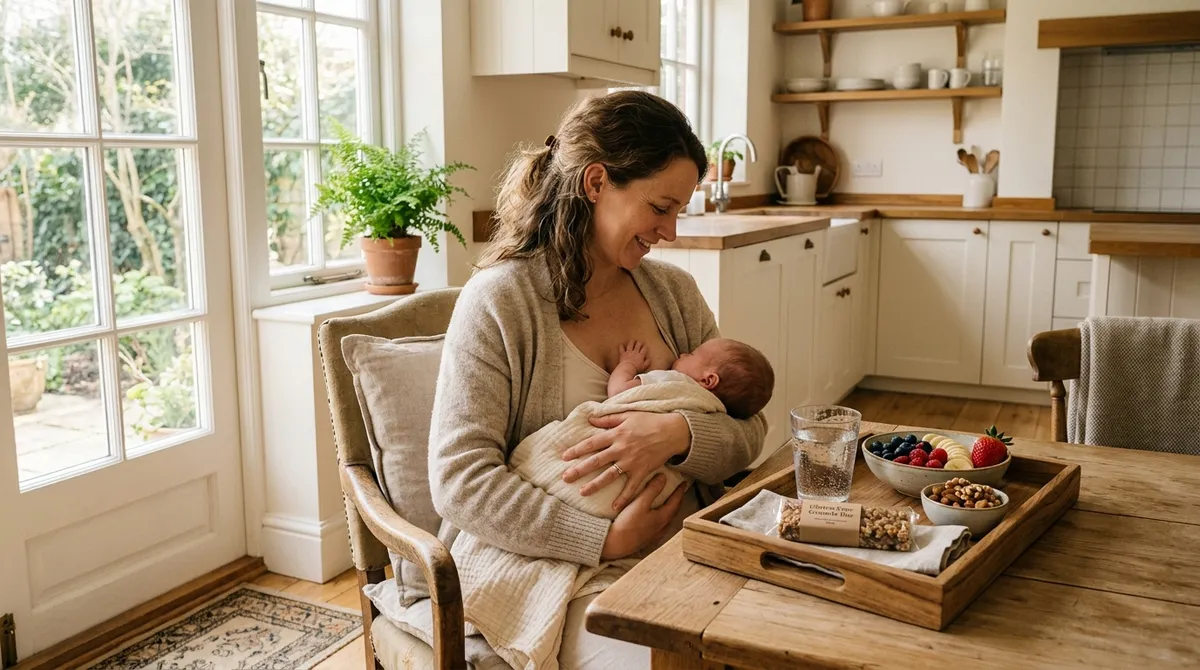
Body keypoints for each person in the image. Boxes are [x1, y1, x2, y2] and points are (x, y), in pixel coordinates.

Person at [428, 90, 767, 667]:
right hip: (555, 570)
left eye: (679, 211)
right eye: (661, 207)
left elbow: (750, 428)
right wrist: (605, 541)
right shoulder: (501, 302)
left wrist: (678, 436)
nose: (671, 231)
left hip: (687, 548)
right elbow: (461, 480)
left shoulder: (674, 293)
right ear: (596, 182)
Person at [607, 338, 775, 419]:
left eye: (692, 354)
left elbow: (619, 392)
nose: (683, 354)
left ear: (708, 380)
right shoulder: (714, 412)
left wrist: (628, 364)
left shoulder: (675, 383)